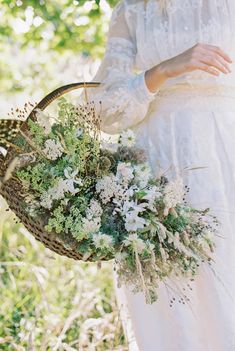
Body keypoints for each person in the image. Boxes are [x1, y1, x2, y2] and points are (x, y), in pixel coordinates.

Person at [84, 0, 235, 349]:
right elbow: (104, 111)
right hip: (155, 168)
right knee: (168, 296)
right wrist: (162, 71)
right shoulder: (131, 10)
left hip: (225, 153)